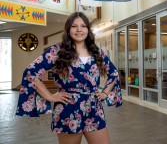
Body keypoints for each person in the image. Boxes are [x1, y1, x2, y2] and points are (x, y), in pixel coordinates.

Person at [16, 12, 122, 144]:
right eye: (74, 26)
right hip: (68, 108)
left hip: (94, 108)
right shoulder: (57, 51)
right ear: (68, 29)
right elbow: (30, 72)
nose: (79, 30)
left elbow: (114, 73)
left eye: (83, 26)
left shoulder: (97, 52)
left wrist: (105, 92)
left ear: (88, 29)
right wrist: (50, 96)